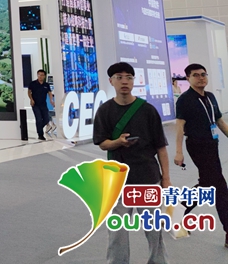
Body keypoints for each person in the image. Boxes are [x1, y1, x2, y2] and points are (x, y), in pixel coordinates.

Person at [93, 62, 170, 264]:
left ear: (134, 81)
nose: (124, 81)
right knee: (117, 231)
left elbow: (161, 147)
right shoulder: (104, 111)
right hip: (118, 180)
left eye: (129, 77)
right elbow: (102, 143)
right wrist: (118, 142)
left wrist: (166, 179)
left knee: (153, 230)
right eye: (119, 77)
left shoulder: (148, 110)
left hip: (147, 176)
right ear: (111, 81)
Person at [173, 63, 228, 248]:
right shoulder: (185, 100)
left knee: (207, 184)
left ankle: (176, 213)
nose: (201, 78)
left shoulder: (210, 97)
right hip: (197, 145)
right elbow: (179, 126)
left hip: (212, 144)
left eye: (203, 74)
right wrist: (178, 151)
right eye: (196, 75)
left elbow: (219, 121)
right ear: (188, 78)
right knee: (220, 186)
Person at [28, 69, 55, 140]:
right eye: (39, 75)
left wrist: (51, 100)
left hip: (43, 104)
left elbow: (49, 93)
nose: (40, 76)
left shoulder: (46, 85)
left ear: (44, 76)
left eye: (42, 75)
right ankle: (40, 134)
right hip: (35, 104)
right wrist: (31, 99)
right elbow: (29, 92)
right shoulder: (33, 83)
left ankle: (39, 128)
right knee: (39, 119)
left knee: (46, 119)